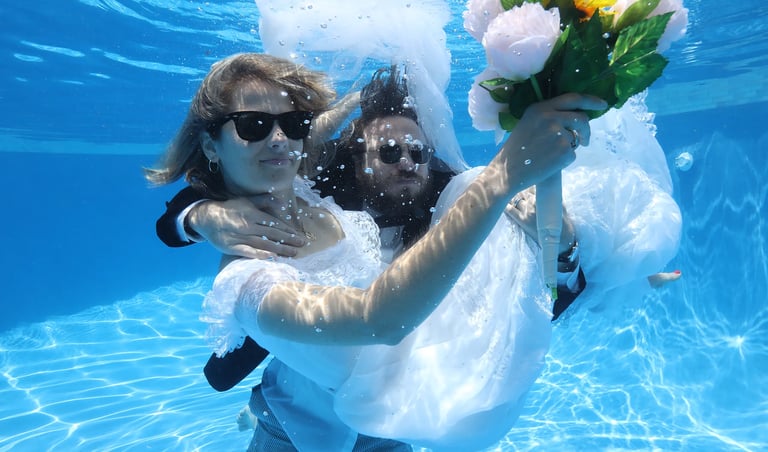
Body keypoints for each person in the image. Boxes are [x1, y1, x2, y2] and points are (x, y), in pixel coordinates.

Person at [145, 52, 612, 451]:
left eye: (293, 124)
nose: (280, 139)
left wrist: (571, 248)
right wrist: (197, 215)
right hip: (301, 432)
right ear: (355, 156)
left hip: (392, 418)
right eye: (253, 124)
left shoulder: (412, 193)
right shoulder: (304, 208)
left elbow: (505, 299)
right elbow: (377, 317)